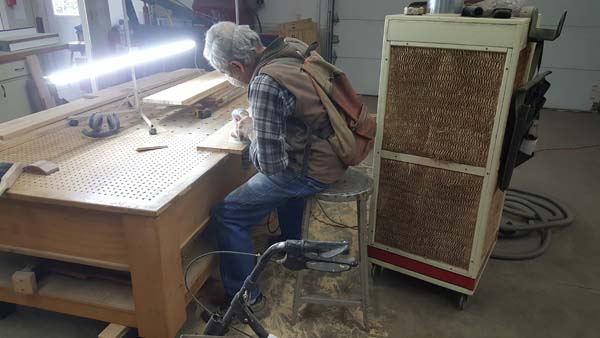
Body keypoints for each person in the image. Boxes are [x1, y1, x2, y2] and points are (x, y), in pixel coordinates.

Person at [203, 21, 347, 311]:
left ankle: (245, 300)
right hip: (333, 149)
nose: (230, 79)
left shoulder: (265, 82)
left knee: (228, 213)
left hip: (313, 167)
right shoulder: (289, 47)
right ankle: (291, 245)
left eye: (226, 73)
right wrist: (260, 123)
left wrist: (250, 131)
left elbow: (272, 165)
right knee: (284, 188)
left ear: (236, 65)